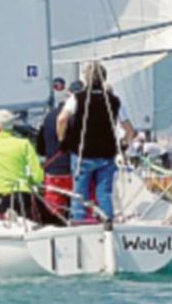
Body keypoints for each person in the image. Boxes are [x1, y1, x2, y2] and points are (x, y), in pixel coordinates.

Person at [57, 61, 134, 223]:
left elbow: (62, 119)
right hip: (106, 155)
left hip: (82, 153)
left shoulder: (77, 98)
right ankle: (108, 223)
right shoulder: (114, 101)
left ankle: (79, 222)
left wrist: (62, 140)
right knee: (104, 192)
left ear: (86, 79)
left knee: (80, 192)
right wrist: (124, 145)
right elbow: (130, 131)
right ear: (104, 78)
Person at [36, 104, 73, 221]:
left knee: (54, 210)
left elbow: (40, 149)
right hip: (75, 171)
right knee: (79, 207)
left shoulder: (48, 117)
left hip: (54, 171)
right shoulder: (80, 116)